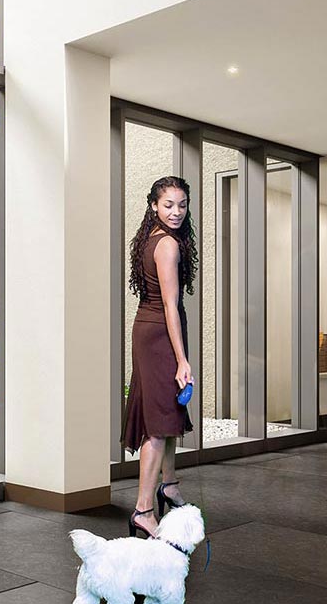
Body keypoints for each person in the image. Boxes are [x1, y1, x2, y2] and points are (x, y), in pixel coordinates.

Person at [121, 175, 199, 539]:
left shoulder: (150, 238)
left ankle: (168, 485)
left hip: (147, 330)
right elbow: (170, 305)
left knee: (167, 414)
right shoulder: (167, 245)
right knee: (158, 423)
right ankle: (144, 510)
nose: (176, 212)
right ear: (154, 205)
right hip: (160, 336)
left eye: (181, 205)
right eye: (168, 205)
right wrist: (182, 360)